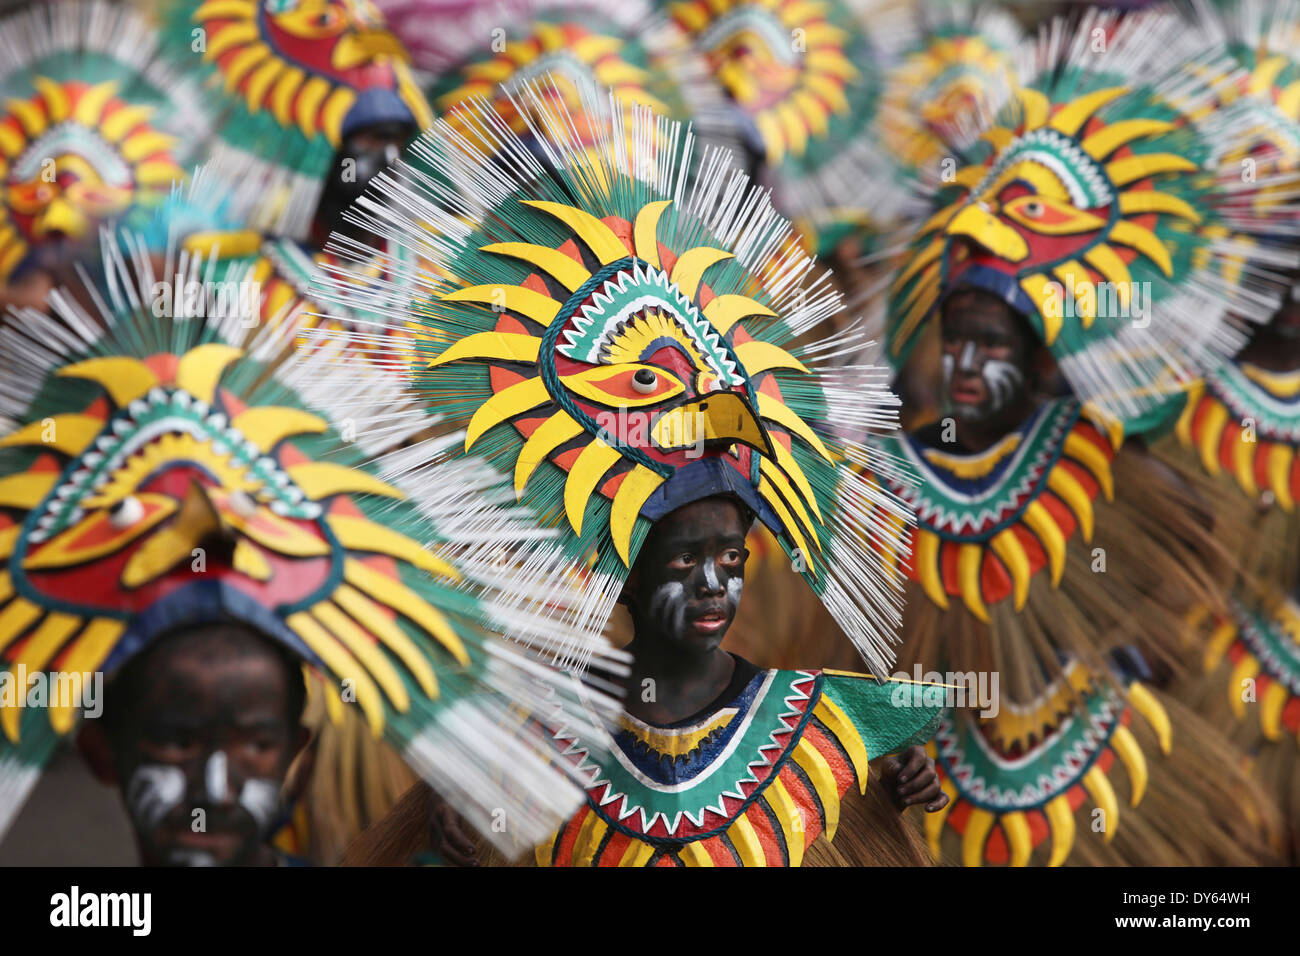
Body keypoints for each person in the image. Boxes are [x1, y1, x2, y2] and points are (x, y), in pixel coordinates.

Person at [328, 76, 951, 866]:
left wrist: (877, 785)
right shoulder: (538, 748)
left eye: (731, 559)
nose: (716, 586)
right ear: (617, 570)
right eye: (686, 560)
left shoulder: (816, 724)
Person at [0, 221, 621, 864]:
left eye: (256, 747)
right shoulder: (240, 276)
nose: (214, 786)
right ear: (103, 751)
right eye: (179, 744)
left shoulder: (459, 287)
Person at [863, 5, 1295, 865]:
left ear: (1052, 356)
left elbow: (1173, 597)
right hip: (938, 785)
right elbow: (855, 664)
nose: (968, 367)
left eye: (997, 344)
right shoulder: (879, 481)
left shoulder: (1120, 453)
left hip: (1121, 756)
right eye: (958, 340)